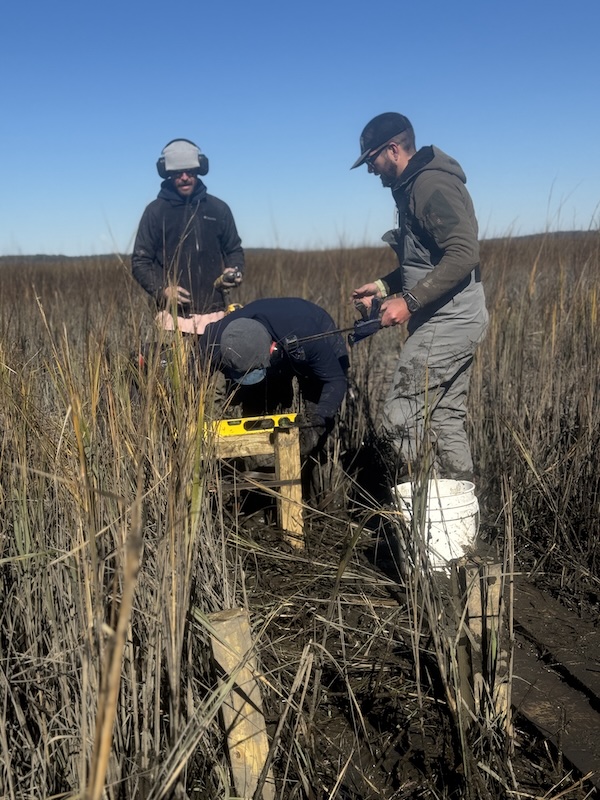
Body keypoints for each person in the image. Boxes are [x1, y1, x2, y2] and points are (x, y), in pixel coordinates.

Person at [351, 112, 488, 482]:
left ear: (393, 150)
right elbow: (426, 259)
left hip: (450, 319)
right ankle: (460, 515)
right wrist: (383, 288)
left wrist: (408, 302)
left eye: (371, 160)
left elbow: (464, 253)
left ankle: (408, 512)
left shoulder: (428, 185)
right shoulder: (412, 186)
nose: (370, 170)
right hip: (450, 314)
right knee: (444, 417)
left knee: (400, 416)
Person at [200, 297, 349, 457]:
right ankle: (259, 466)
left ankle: (313, 470)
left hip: (314, 336)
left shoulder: (308, 335)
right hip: (273, 342)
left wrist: (318, 421)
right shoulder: (214, 339)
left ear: (272, 349)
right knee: (256, 409)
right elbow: (194, 373)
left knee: (315, 429)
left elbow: (336, 380)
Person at [132, 138, 245, 335]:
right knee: (174, 365)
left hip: (216, 315)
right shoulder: (155, 212)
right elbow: (140, 261)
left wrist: (234, 270)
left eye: (189, 172)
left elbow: (234, 249)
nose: (184, 177)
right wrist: (163, 290)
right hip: (171, 318)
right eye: (177, 173)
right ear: (167, 174)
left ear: (200, 169)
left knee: (214, 365)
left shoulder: (219, 209)